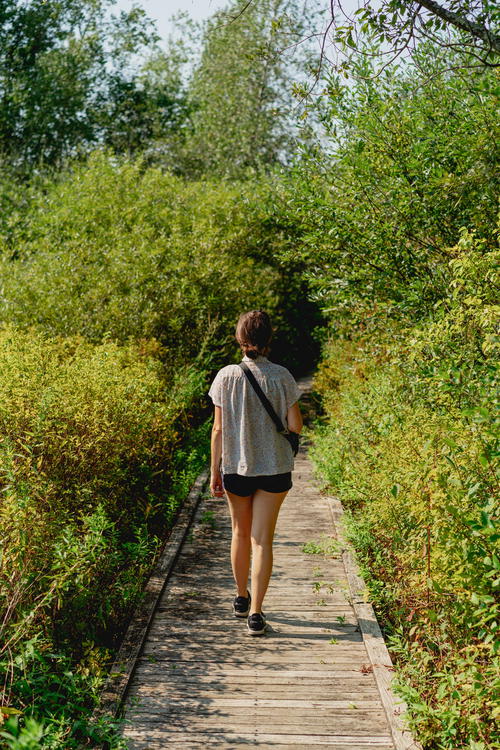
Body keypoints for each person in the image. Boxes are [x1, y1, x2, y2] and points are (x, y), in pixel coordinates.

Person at [208, 310, 303, 635]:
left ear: (239, 338)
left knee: (239, 532)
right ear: (268, 340)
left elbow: (218, 430)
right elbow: (295, 425)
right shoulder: (282, 376)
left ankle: (239, 597)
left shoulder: (226, 376)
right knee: (262, 541)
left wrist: (214, 471)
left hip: (237, 468)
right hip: (275, 469)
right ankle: (257, 614)